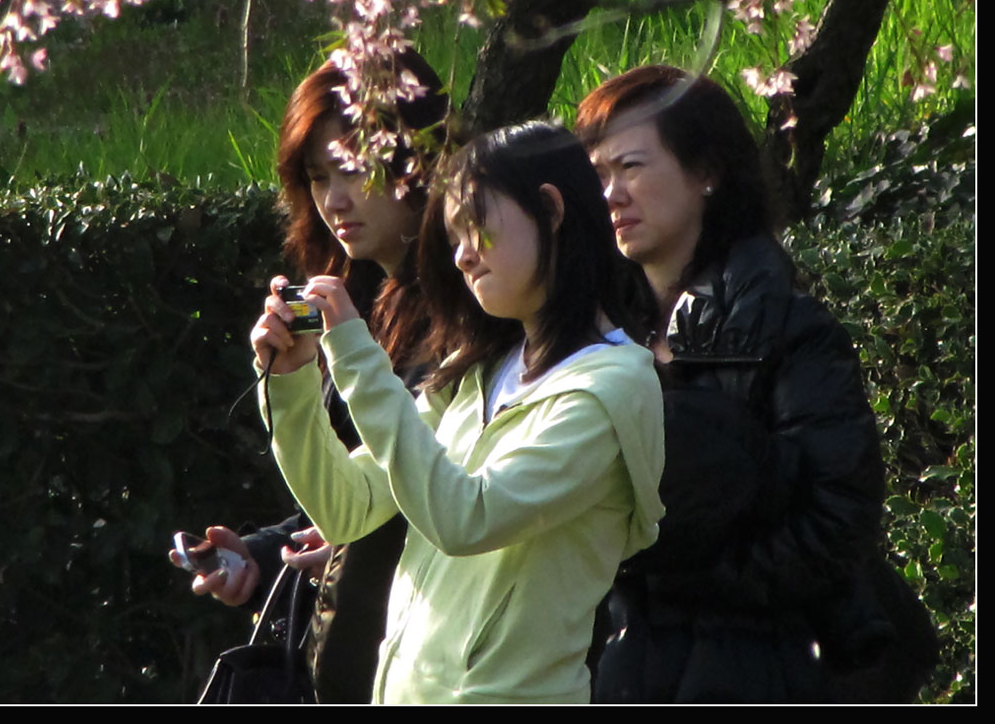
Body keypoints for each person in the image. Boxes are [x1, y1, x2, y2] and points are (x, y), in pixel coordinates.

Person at [256, 121, 666, 704]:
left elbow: (466, 518)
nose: (464, 255)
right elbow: (347, 508)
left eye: (477, 226)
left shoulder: (613, 387)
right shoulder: (480, 368)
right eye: (453, 237)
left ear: (550, 209)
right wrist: (292, 381)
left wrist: (356, 354)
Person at [575, 64, 939, 704]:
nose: (611, 195)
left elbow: (839, 518)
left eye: (630, 167)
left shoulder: (786, 327)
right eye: (597, 176)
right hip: (623, 666)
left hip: (754, 666)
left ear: (706, 172)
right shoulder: (597, 335)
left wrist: (692, 575)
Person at [170, 47, 448, 704]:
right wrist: (262, 558)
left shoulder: (465, 308)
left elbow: (413, 488)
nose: (336, 200)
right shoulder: (367, 298)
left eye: (353, 170)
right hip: (358, 641)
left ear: (416, 161)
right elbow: (343, 499)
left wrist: (352, 538)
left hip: (429, 644)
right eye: (319, 178)